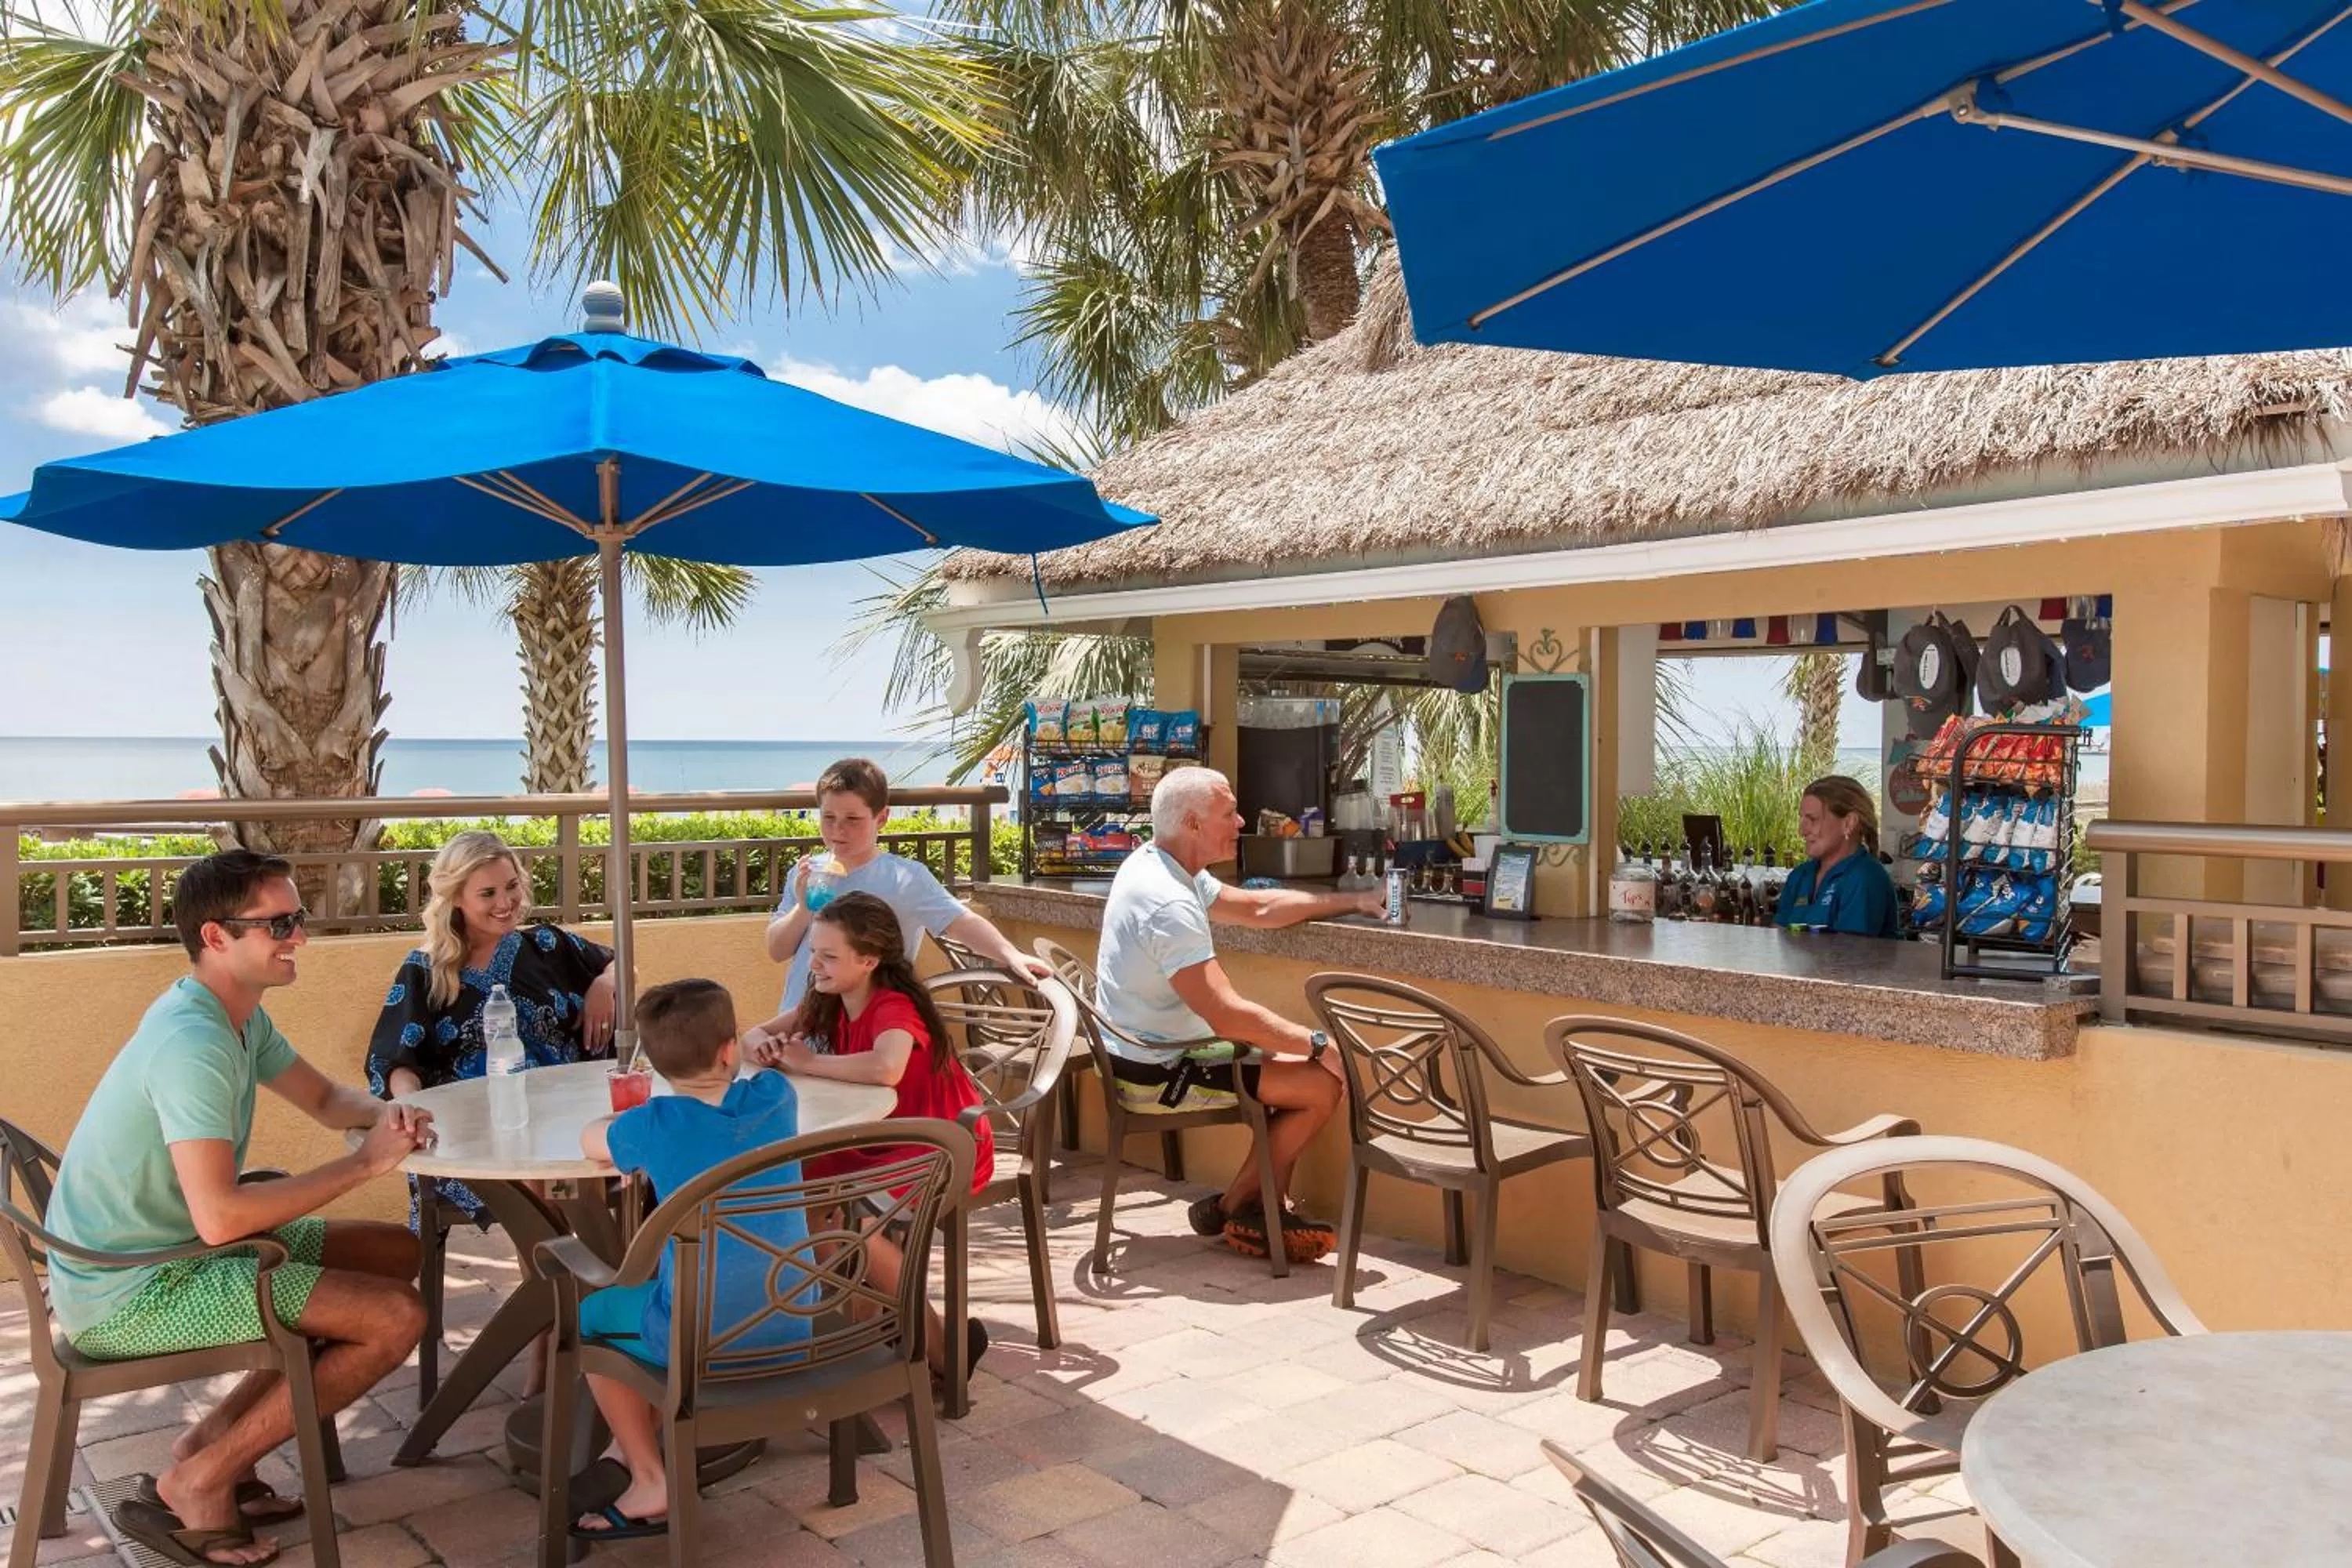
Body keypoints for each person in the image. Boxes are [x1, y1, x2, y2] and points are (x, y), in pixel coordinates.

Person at [45, 850, 430, 1568]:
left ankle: (208, 1444)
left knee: (395, 1254)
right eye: (278, 923)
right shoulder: (192, 1044)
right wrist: (363, 1164)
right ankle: (200, 1479)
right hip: (135, 1287)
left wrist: (402, 1116)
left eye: (299, 918)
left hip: (172, 1247)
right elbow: (223, 1217)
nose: (299, 937)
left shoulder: (233, 1015)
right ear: (216, 937)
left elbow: (324, 1100)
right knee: (392, 1318)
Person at [1096, 766, 1385, 1262]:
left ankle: (1254, 1207)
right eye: (1228, 813)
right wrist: (1321, 1044)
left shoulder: (1160, 865)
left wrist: (1354, 900)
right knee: (1319, 1084)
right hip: (1157, 1068)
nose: (1241, 820)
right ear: (1191, 824)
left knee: (1287, 1067)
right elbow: (1226, 1014)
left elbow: (1257, 908)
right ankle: (1236, 1207)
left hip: (1150, 1045)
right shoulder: (1168, 902)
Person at [572, 979, 809, 1541]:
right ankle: (624, 1449)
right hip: (794, 1316)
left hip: (700, 1337)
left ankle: (651, 1475)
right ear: (730, 1049)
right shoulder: (778, 1096)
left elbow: (590, 1141)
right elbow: (749, 1078)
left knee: (594, 1317)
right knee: (669, 1291)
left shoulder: (651, 1125)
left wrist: (619, 1130)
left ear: (652, 1064)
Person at [745, 891, 993, 1387]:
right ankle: (853, 1329)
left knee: (844, 1223)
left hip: (938, 1149)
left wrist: (809, 1062)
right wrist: (767, 1045)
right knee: (790, 1193)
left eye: (829, 956)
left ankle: (938, 1347)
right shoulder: (829, 998)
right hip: (878, 1141)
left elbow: (887, 1066)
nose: (814, 963)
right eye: (814, 951)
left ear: (869, 961)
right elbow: (754, 1033)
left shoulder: (891, 1006)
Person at [368, 829, 617, 1229]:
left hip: (566, 1119)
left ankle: (580, 1281)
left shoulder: (548, 945)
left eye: (512, 886)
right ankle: (564, 1285)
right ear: (456, 898)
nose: (506, 903)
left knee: (636, 1152)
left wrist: (605, 984)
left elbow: (619, 961)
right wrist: (410, 1105)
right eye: (487, 894)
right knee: (542, 1178)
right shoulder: (424, 970)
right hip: (474, 1137)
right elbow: (397, 1059)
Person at [764, 757, 1048, 1010]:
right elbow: (777, 950)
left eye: (853, 819)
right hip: (798, 1023)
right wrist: (804, 907)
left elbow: (962, 922)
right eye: (828, 817)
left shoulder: (905, 878)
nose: (838, 829)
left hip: (868, 1030)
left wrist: (1011, 955)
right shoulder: (805, 872)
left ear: (882, 818)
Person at [1776, 775, 1901, 938]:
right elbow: (1778, 943)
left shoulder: (1864, 878)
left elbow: (1847, 957)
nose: (1802, 831)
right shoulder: (1800, 876)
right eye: (1802, 819)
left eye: (1812, 819)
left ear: (1848, 823)